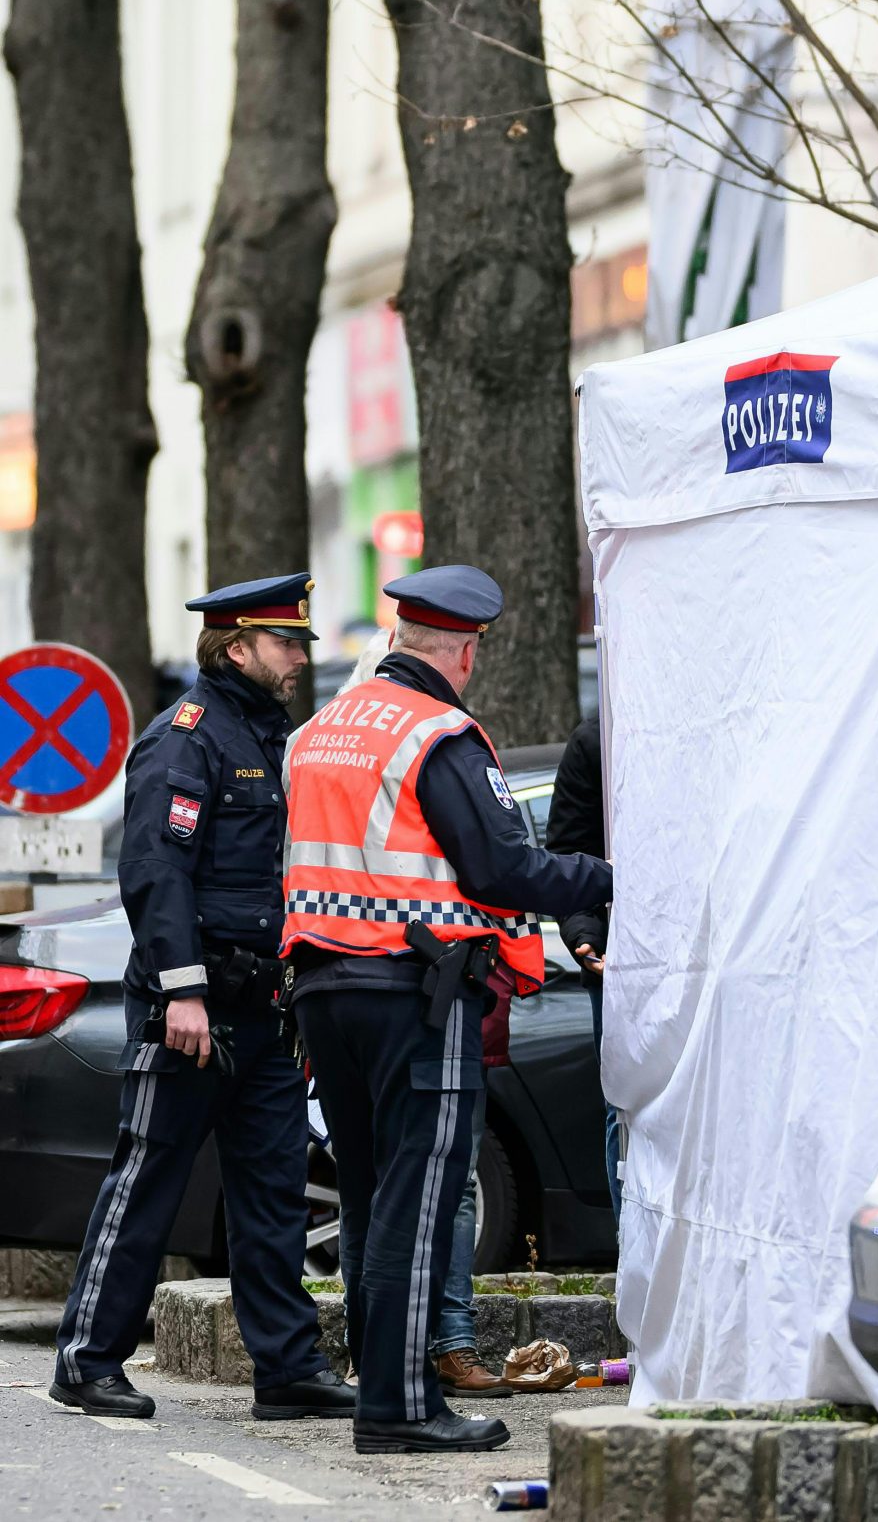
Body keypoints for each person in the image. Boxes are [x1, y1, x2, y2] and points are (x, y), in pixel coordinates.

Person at [281, 566, 611, 1453]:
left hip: (322, 992)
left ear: (399, 639)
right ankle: (400, 1408)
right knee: (420, 1198)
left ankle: (377, 1384)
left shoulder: (318, 731)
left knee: (369, 1192)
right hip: (414, 997)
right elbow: (505, 870)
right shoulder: (439, 734)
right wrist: (613, 876)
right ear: (464, 651)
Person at [51, 575, 356, 1423]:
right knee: (148, 1182)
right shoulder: (186, 738)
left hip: (264, 1011)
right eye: (286, 643)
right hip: (193, 1010)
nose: (300, 658)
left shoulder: (271, 735)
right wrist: (181, 990)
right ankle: (86, 1360)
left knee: (274, 1194)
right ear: (236, 647)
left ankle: (287, 1369)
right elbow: (157, 873)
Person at [545, 711, 618, 1217]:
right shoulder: (597, 741)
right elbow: (570, 853)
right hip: (618, 961)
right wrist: (585, 936)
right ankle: (630, 1244)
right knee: (624, 1106)